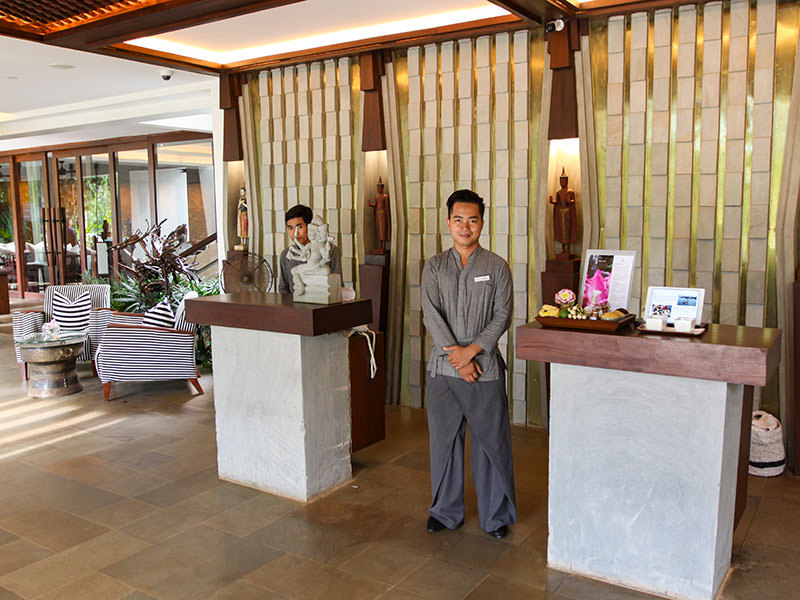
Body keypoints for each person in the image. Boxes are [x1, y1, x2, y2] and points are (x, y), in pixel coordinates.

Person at [421, 189, 516, 539]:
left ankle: (496, 516)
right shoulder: (435, 266)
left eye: (472, 220)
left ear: (482, 223)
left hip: (485, 369)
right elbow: (431, 314)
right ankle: (444, 512)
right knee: (445, 442)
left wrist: (472, 350)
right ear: (448, 223)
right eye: (458, 220)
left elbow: (503, 314)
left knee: (491, 444)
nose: (465, 227)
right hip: (444, 371)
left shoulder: (496, 266)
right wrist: (458, 358)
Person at [278, 204, 341, 295]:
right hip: (296, 306)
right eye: (290, 228)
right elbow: (283, 289)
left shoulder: (331, 250)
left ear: (310, 226)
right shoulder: (285, 255)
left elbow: (337, 285)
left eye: (299, 227)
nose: (295, 233)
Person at [549, 167, 577, 259]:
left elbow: (573, 201)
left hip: (568, 214)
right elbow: (557, 202)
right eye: (561, 181)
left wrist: (570, 201)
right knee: (561, 232)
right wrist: (552, 201)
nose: (562, 183)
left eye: (564, 181)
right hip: (561, 214)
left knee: (567, 231)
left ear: (567, 181)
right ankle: (563, 250)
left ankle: (568, 250)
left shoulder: (570, 192)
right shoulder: (558, 192)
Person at [368, 177, 391, 253]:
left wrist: (387, 217)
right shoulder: (377, 197)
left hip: (383, 214)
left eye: (379, 188)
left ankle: (383, 246)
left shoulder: (385, 196)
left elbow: (387, 208)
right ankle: (380, 246)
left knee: (383, 231)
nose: (378, 189)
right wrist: (370, 205)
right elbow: (376, 205)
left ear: (382, 188)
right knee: (378, 231)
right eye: (377, 188)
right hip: (378, 215)